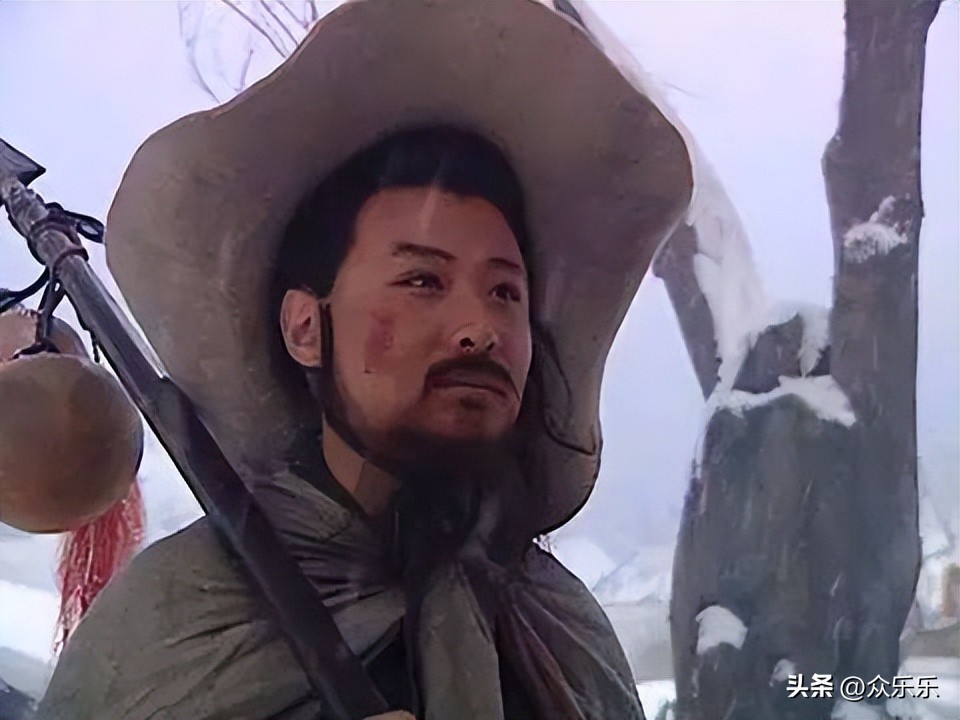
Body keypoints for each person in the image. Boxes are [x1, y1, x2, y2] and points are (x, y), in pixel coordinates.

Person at [36, 1, 692, 718]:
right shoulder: (178, 625)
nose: (481, 328)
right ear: (305, 327)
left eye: (506, 292)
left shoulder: (563, 629)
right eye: (423, 281)